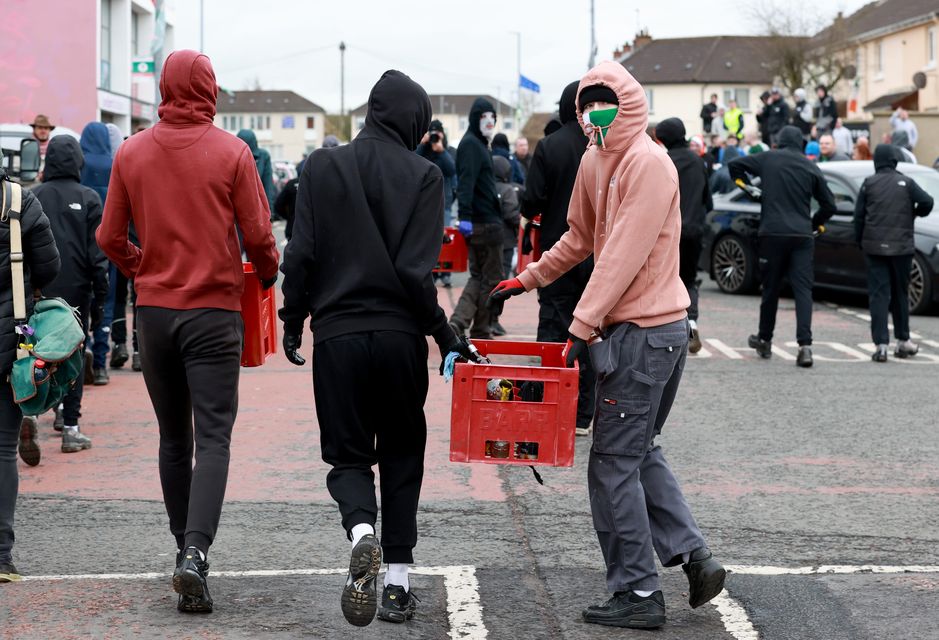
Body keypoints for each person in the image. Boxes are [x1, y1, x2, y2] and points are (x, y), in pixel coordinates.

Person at [491, 61, 726, 630]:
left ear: (628, 104)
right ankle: (694, 557)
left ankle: (640, 594)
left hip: (646, 332)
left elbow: (620, 254)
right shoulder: (597, 159)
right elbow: (579, 235)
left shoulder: (650, 164)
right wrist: (530, 277)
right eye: (587, 105)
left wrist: (578, 325)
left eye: (605, 103)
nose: (595, 114)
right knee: (638, 450)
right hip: (643, 332)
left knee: (613, 462)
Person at [279, 69, 471, 628]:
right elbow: (418, 275)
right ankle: (397, 584)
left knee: (348, 455)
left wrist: (294, 320)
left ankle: (361, 533)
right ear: (414, 119)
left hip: (336, 334)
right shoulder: (425, 175)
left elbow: (301, 254)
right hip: (399, 337)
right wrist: (444, 334)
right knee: (403, 452)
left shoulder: (320, 166)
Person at [97, 49, 279, 614]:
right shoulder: (232, 152)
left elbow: (108, 236)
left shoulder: (131, 152)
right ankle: (196, 555)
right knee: (214, 437)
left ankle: (182, 549)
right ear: (208, 90)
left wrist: (140, 267)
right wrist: (269, 275)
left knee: (173, 438)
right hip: (213, 314)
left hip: (153, 314)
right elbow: (258, 236)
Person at [520, 80, 595, 436]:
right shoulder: (604, 145)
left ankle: (546, 403)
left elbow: (531, 200)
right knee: (593, 329)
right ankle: (585, 414)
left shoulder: (550, 146)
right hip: (598, 252)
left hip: (557, 248)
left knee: (553, 326)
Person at [729, 126, 837, 367]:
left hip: (772, 233)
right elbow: (829, 205)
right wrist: (814, 223)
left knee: (771, 289)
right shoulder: (810, 166)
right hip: (801, 236)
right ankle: (805, 347)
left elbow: (734, 166)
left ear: (778, 142)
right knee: (803, 291)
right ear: (800, 143)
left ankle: (765, 340)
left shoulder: (768, 158)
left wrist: (751, 191)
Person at [0, 172, 60, 582]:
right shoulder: (19, 203)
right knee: (4, 449)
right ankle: (2, 556)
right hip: (9, 341)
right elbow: (50, 269)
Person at [31, 135, 107, 453]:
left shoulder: (32, 196)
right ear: (78, 161)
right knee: (73, 353)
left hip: (37, 290)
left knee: (34, 351)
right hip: (77, 290)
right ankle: (71, 427)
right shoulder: (88, 198)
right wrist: (102, 293)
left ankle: (33, 413)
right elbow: (97, 253)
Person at [854, 144, 934, 362]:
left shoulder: (868, 184)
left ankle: (880, 346)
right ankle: (903, 341)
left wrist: (859, 241)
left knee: (879, 296)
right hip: (902, 249)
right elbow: (928, 201)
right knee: (900, 294)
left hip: (874, 248)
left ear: (876, 161)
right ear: (895, 161)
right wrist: (914, 214)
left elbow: (858, 217)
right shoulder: (906, 183)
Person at [655, 118, 712, 354]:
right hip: (695, 231)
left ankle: (666, 330)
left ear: (662, 139)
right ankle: (692, 323)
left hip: (669, 231)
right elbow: (707, 201)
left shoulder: (663, 161)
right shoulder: (699, 162)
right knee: (689, 279)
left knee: (665, 280)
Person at [448, 98, 503, 339]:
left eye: (492, 116)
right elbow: (466, 182)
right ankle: (472, 326)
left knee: (480, 276)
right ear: (475, 119)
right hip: (484, 223)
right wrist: (465, 216)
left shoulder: (479, 144)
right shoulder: (472, 145)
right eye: (484, 116)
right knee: (488, 279)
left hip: (484, 221)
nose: (489, 121)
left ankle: (464, 323)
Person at [78, 122, 114, 386]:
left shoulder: (79, 165)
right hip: (108, 245)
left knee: (80, 302)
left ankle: (84, 345)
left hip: (79, 247)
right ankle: (101, 363)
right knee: (108, 301)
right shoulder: (115, 165)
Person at [491, 155, 520, 336]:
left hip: (490, 239)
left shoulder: (487, 187)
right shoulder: (508, 190)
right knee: (501, 280)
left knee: (487, 278)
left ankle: (486, 319)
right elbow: (511, 214)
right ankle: (494, 319)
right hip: (507, 241)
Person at [237, 129, 276, 212]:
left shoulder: (263, 156)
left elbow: (268, 186)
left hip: (256, 208)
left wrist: (269, 211)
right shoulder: (262, 156)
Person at [29, 115, 55, 182]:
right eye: (40, 128)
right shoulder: (27, 147)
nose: (43, 131)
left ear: (49, 130)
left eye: (46, 128)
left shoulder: (54, 148)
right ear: (34, 129)